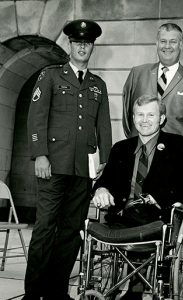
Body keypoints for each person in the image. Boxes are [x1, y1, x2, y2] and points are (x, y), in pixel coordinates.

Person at [23, 19, 112, 300]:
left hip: (82, 171)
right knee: (45, 229)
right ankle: (33, 292)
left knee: (71, 232)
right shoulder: (50, 76)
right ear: (70, 45)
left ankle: (56, 291)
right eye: (77, 42)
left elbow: (104, 126)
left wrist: (105, 161)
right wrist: (40, 155)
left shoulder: (98, 85)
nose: (82, 46)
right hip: (52, 167)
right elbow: (36, 118)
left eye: (87, 43)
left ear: (92, 47)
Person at [92, 94, 183, 300]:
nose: (145, 120)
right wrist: (101, 190)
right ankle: (127, 287)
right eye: (140, 114)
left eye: (151, 114)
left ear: (162, 118)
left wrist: (159, 198)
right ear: (133, 118)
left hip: (157, 218)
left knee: (141, 220)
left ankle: (136, 287)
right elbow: (104, 180)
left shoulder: (180, 147)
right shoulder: (121, 148)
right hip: (121, 218)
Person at [122, 23, 183, 165]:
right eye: (163, 41)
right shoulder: (137, 74)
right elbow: (127, 118)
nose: (167, 46)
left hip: (176, 161)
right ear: (156, 43)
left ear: (181, 45)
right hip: (139, 159)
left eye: (173, 42)